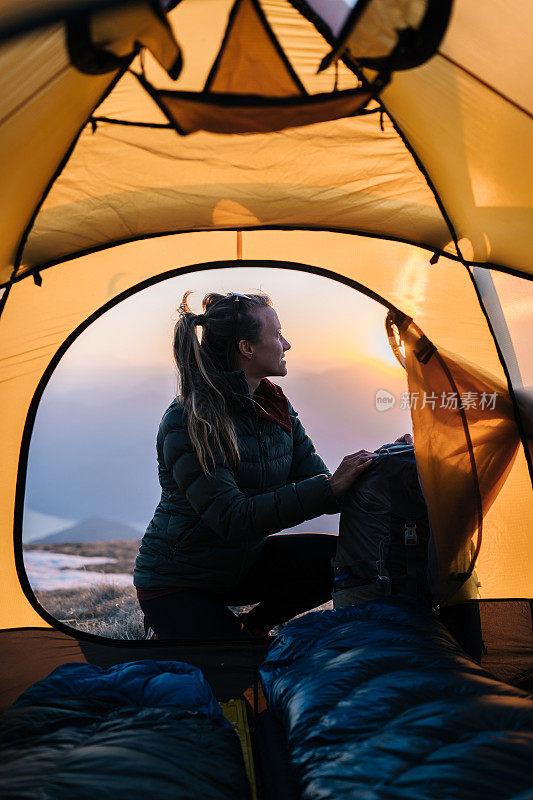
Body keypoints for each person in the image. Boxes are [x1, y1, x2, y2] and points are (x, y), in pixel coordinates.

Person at [133, 291, 401, 639]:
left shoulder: (274, 404)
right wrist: (328, 487)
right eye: (276, 335)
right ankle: (179, 629)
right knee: (237, 670)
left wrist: (387, 457)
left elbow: (324, 485)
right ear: (247, 348)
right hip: (177, 581)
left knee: (337, 559)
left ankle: (253, 627)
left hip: (240, 565)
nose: (286, 344)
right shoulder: (190, 418)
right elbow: (232, 518)